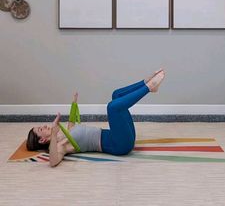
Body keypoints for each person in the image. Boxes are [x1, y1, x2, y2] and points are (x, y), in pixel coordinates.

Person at [26, 69, 165, 167]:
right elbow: (53, 161)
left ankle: (145, 82)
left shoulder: (66, 134)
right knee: (112, 107)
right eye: (41, 129)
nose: (44, 126)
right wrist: (55, 133)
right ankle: (149, 87)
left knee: (116, 95)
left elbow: (71, 122)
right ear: (43, 139)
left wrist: (74, 103)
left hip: (120, 137)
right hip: (120, 145)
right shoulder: (59, 146)